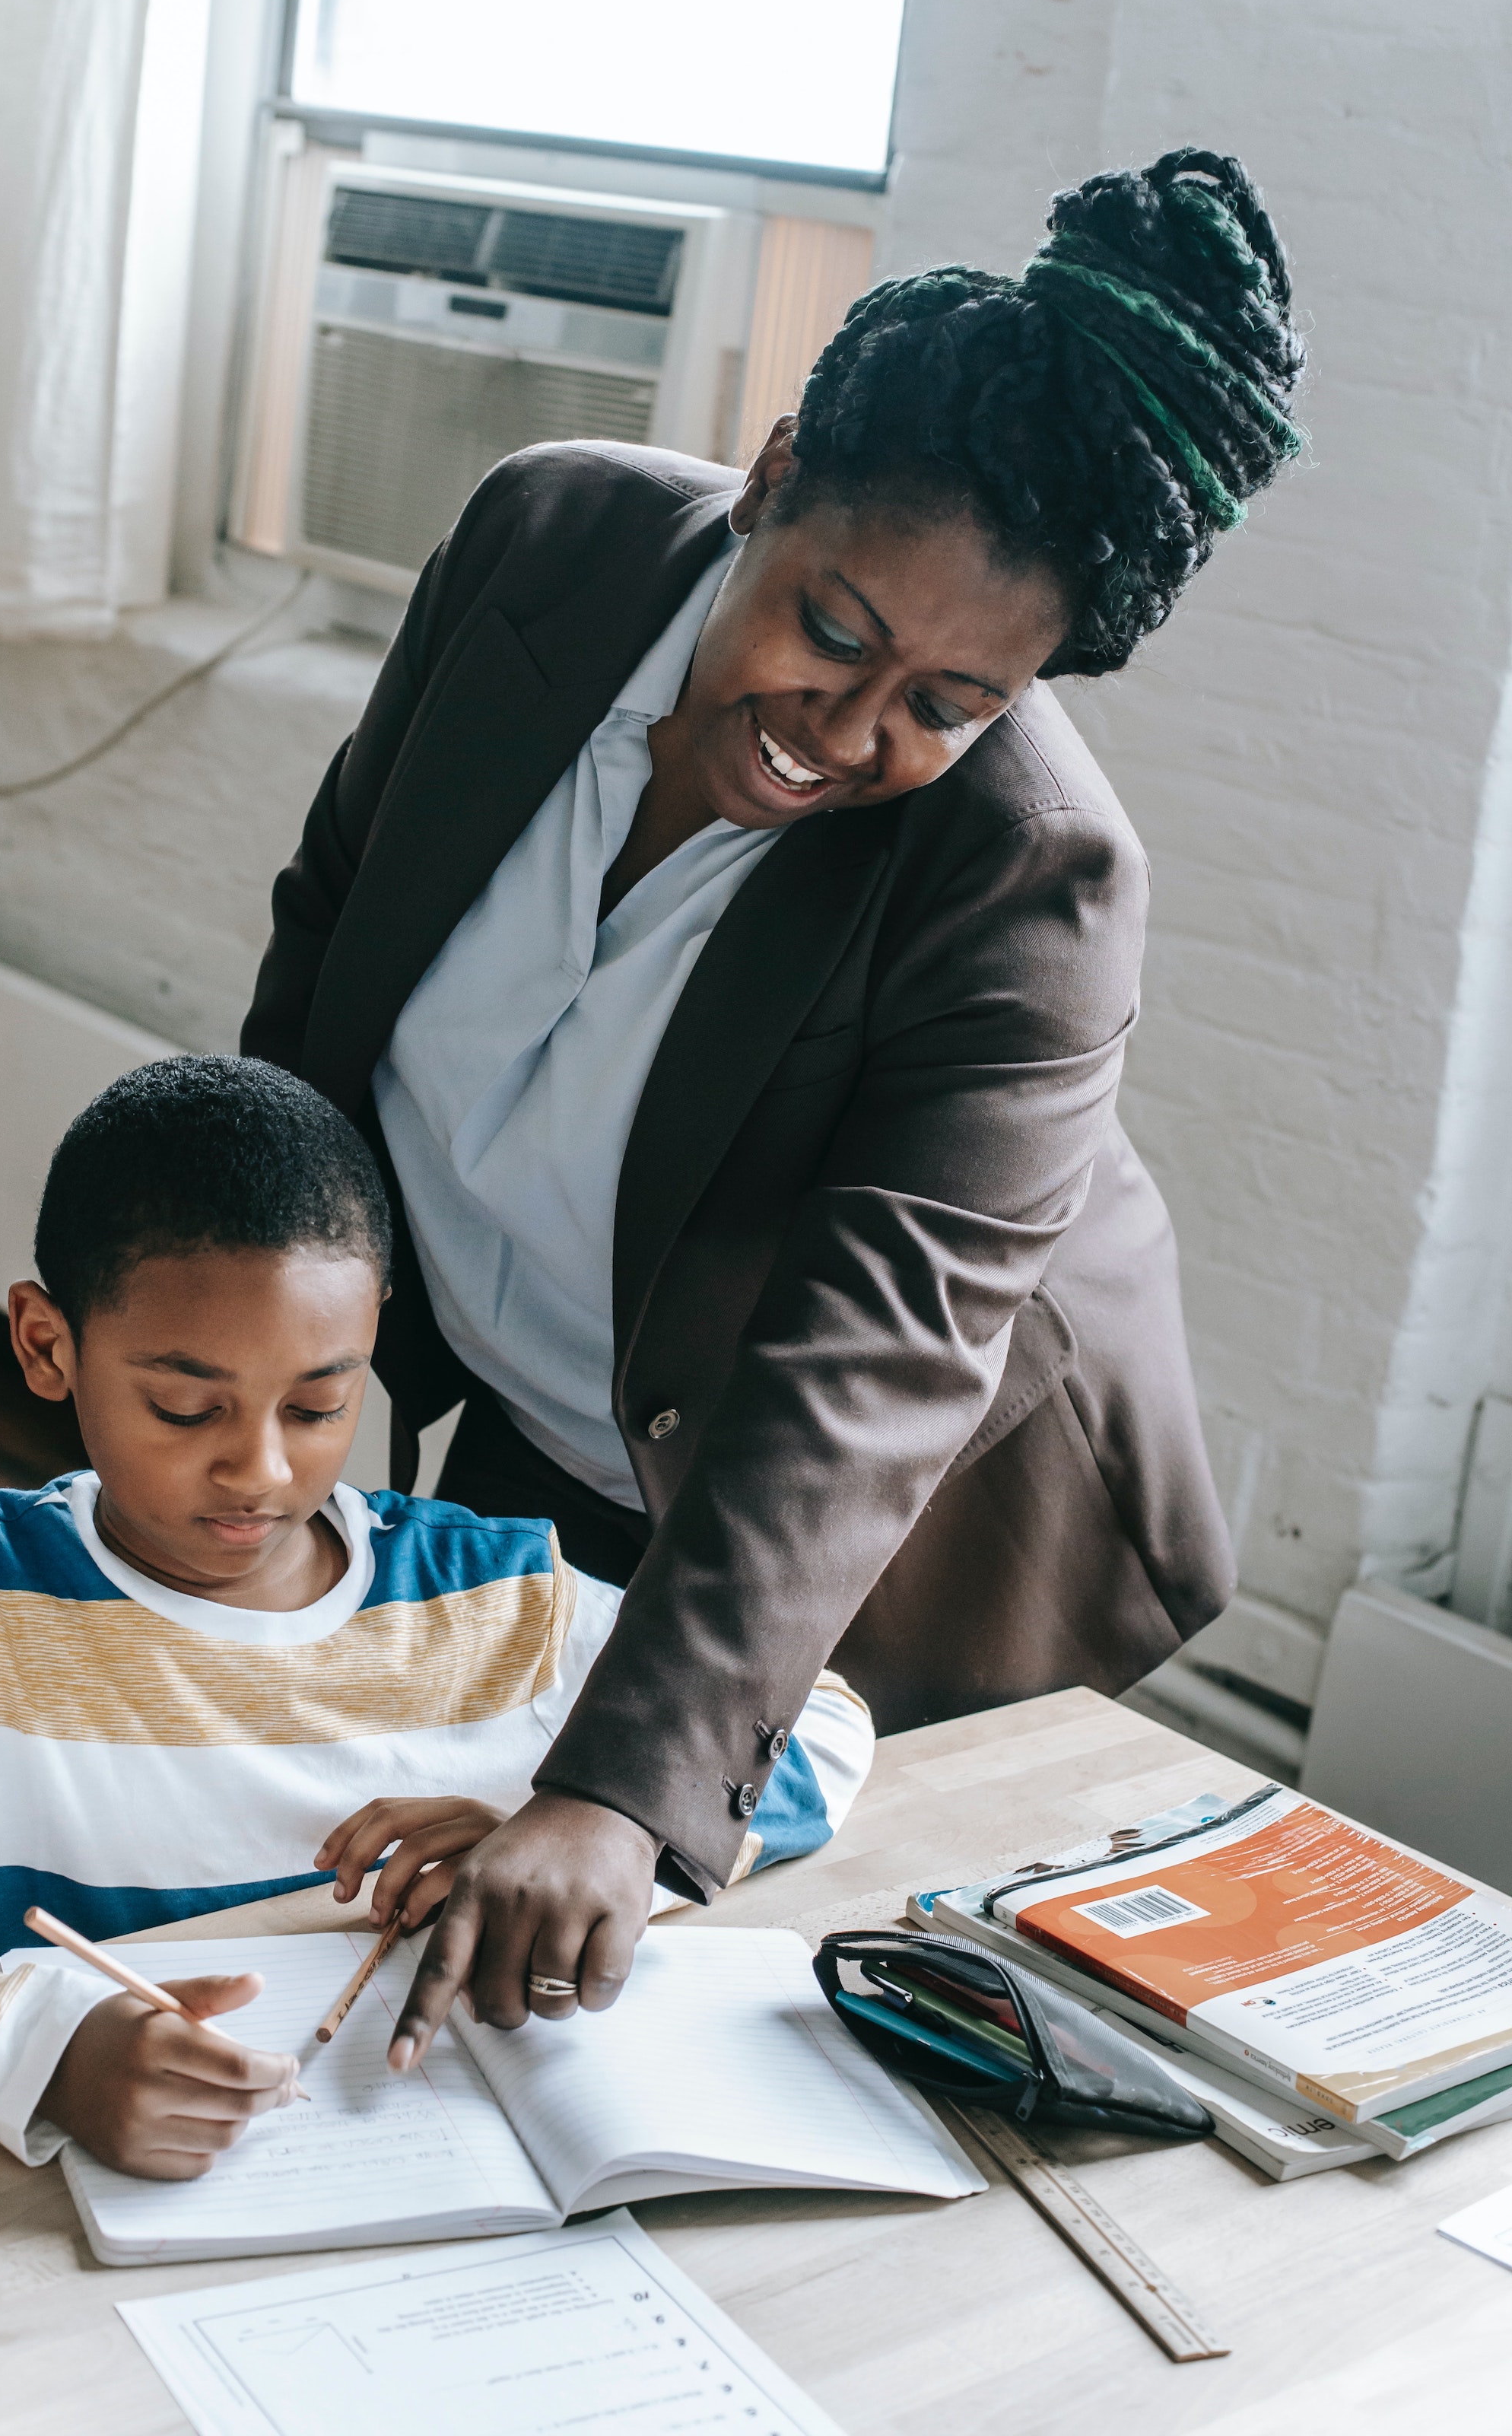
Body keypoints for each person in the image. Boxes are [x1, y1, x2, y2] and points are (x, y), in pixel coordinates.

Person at [240, 148, 1307, 2069]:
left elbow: (872, 1359)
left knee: (759, 2072)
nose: (849, 731)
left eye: (949, 702)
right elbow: (333, 945)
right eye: (832, 631)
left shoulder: (1031, 876)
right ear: (775, 471)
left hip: (873, 1559)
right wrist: (248, 1371)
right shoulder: (538, 547)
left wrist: (630, 1792)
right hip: (554, 1421)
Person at [0, 1057, 870, 2178]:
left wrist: (577, 1836)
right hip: (51, 2220)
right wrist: (25, 2043)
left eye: (319, 1405)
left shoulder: (495, 1594)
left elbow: (815, 1721)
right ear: (49, 1346)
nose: (256, 1469)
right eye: (186, 1407)